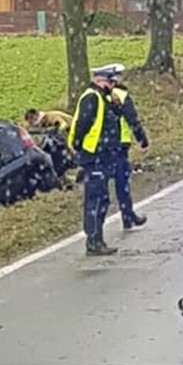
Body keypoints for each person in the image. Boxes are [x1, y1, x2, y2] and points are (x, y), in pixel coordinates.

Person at [68, 65, 124, 256]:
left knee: (102, 199)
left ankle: (97, 238)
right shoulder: (92, 98)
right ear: (100, 80)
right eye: (110, 81)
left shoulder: (103, 99)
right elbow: (82, 125)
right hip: (94, 157)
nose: (113, 85)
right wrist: (77, 147)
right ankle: (93, 240)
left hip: (102, 156)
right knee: (95, 199)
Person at [108, 63, 150, 230]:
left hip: (102, 145)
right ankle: (128, 215)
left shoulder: (97, 95)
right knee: (121, 181)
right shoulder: (121, 95)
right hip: (120, 143)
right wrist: (142, 140)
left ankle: (97, 227)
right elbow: (132, 120)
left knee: (104, 183)